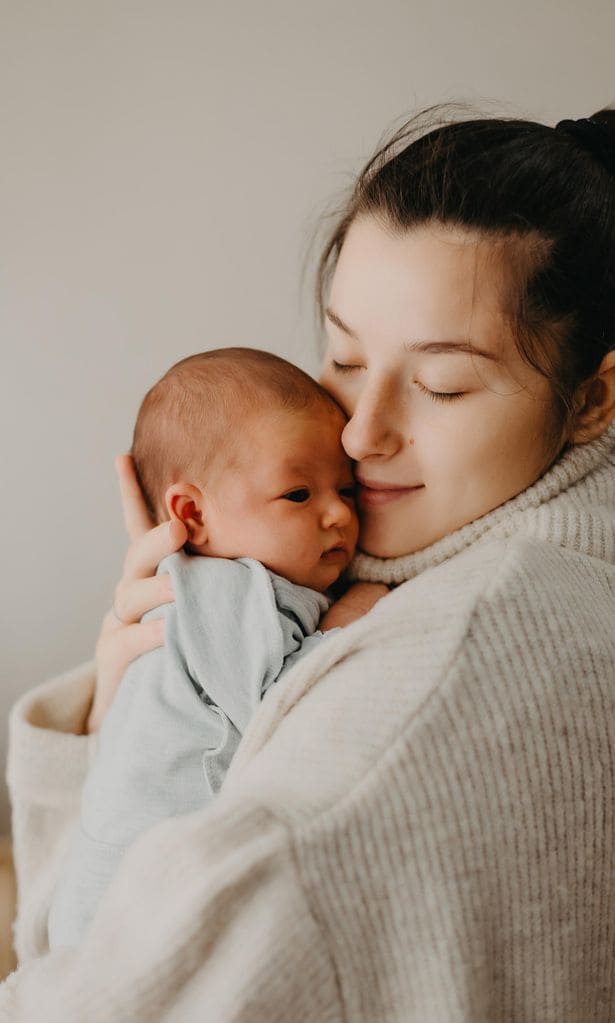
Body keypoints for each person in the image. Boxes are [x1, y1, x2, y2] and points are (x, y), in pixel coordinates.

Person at [3, 106, 615, 1021]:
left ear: (593, 398)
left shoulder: (423, 688)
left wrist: (95, 754)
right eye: (342, 356)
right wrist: (124, 686)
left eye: (442, 383)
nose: (361, 433)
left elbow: (75, 981)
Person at [47, 346, 386, 949]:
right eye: (298, 495)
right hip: (130, 889)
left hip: (122, 880)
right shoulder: (227, 589)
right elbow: (279, 709)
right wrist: (346, 622)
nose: (337, 512)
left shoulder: (233, 588)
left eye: (346, 489)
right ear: (191, 512)